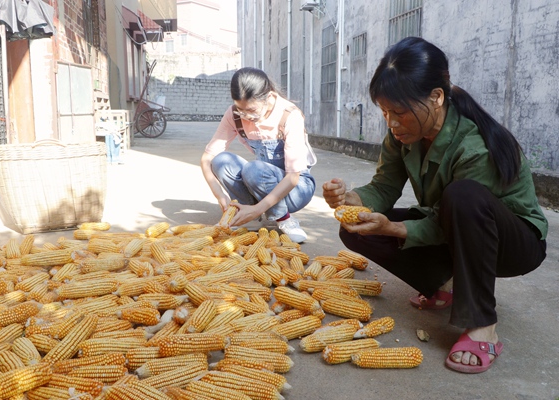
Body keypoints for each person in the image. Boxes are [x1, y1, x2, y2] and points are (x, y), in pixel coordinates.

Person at [322, 37, 547, 373]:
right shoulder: (402, 135)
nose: (391, 122)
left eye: (399, 112)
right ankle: (443, 285)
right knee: (355, 230)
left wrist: (395, 227)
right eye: (384, 111)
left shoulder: (473, 144)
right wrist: (351, 199)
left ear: (437, 97)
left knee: (463, 196)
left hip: (511, 243)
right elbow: (384, 186)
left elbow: (455, 213)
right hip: (453, 229)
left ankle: (483, 324)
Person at [201, 67, 317, 243]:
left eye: (252, 111)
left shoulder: (289, 115)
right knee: (221, 160)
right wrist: (220, 196)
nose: (247, 116)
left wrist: (258, 208)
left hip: (297, 188)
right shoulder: (234, 114)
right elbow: (206, 159)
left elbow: (293, 177)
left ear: (269, 97)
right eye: (241, 110)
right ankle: (249, 214)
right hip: (263, 182)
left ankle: (284, 218)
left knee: (254, 169)